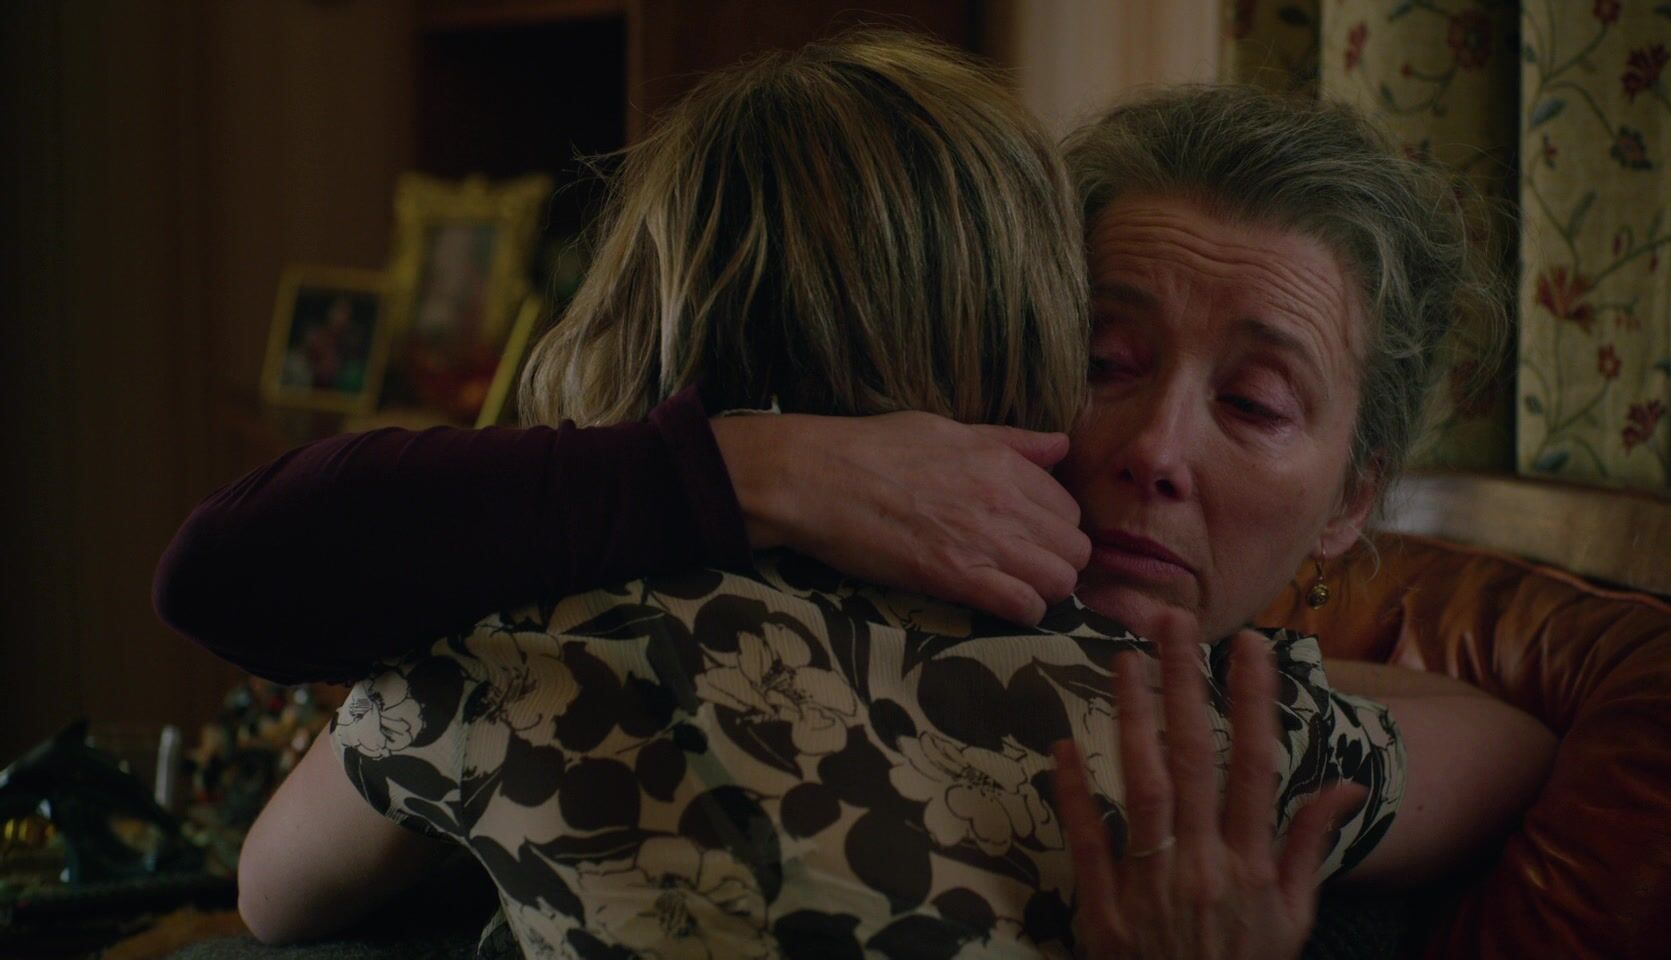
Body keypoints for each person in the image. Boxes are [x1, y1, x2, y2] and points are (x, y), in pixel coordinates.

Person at [228, 36, 1422, 959]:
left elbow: (269, 894)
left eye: (1255, 402)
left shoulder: (496, 649)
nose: (1156, 448)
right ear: (1021, 345)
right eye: (1106, 361)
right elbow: (1512, 735)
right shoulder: (1198, 739)